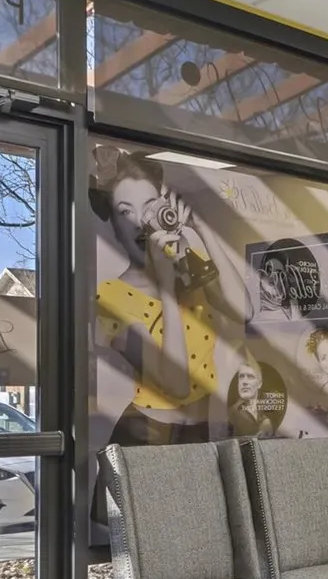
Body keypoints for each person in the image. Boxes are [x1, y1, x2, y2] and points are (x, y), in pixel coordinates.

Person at [91, 149, 252, 469]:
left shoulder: (188, 269)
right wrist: (166, 286)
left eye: (150, 207)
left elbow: (243, 310)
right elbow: (176, 383)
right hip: (147, 438)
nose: (140, 222)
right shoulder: (110, 297)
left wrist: (201, 229)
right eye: (125, 211)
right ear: (115, 228)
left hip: (201, 433)